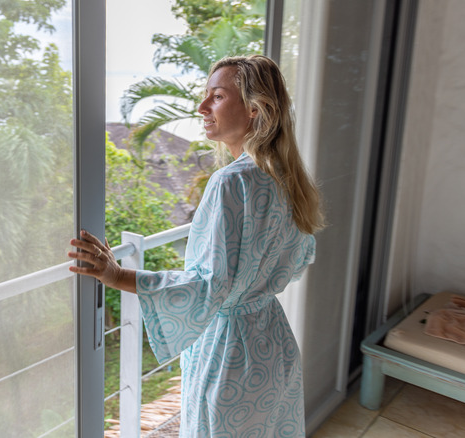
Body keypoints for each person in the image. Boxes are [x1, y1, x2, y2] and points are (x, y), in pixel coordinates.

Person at [69, 54, 324, 438]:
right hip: (273, 345)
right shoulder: (287, 178)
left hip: (231, 358)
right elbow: (300, 259)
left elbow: (208, 287)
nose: (201, 107)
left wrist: (116, 274)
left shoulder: (231, 183)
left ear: (256, 109)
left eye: (217, 96)